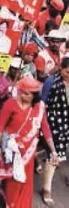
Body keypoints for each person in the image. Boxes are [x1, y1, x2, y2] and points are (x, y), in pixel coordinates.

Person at [0, 78, 58, 208]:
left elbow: (45, 129)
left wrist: (53, 150)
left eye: (27, 94)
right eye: (22, 92)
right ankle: (8, 199)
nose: (22, 95)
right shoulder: (10, 104)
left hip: (28, 150)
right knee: (12, 177)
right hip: (11, 147)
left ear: (34, 96)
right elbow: (0, 126)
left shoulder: (40, 108)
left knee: (21, 178)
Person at [41, 58, 69, 206]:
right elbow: (42, 104)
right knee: (52, 155)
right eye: (67, 72)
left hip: (66, 124)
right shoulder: (50, 82)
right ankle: (47, 189)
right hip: (52, 123)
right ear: (61, 69)